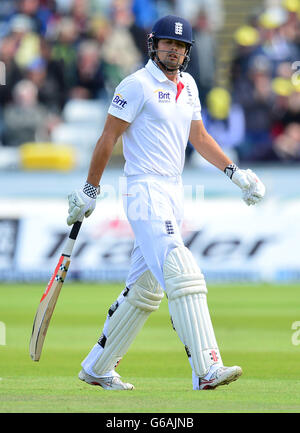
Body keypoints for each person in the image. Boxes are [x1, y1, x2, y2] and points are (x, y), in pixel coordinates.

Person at [67, 15, 266, 391]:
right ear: (153, 44)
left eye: (181, 46)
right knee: (181, 269)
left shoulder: (188, 85)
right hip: (143, 190)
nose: (174, 50)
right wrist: (90, 190)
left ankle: (97, 367)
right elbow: (108, 138)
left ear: (188, 52)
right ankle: (208, 369)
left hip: (174, 191)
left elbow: (200, 136)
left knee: (145, 288)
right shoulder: (136, 85)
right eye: (167, 43)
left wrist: (236, 174)